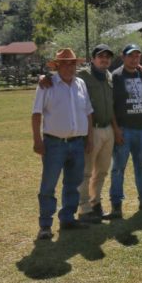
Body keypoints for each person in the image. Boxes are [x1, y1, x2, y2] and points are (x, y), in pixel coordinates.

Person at [38, 43, 117, 224]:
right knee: (84, 173)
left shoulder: (109, 76)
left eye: (107, 57)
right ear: (93, 59)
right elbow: (58, 77)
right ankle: (83, 208)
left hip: (105, 129)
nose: (104, 59)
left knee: (101, 171)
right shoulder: (83, 75)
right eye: (100, 56)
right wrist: (43, 76)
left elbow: (102, 106)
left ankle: (95, 203)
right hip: (89, 130)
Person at [31, 48, 94, 240]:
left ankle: (68, 218)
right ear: (57, 66)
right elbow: (36, 114)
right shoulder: (47, 85)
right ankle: (45, 225)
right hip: (54, 144)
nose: (69, 67)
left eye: (72, 63)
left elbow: (88, 113)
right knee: (48, 185)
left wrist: (89, 139)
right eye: (65, 63)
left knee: (73, 183)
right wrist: (37, 140)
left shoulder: (81, 84)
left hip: (77, 143)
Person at [109, 44, 142, 218]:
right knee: (118, 168)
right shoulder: (116, 76)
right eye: (131, 56)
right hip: (124, 129)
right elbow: (111, 105)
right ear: (123, 57)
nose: (134, 59)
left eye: (137, 56)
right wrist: (116, 129)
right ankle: (116, 205)